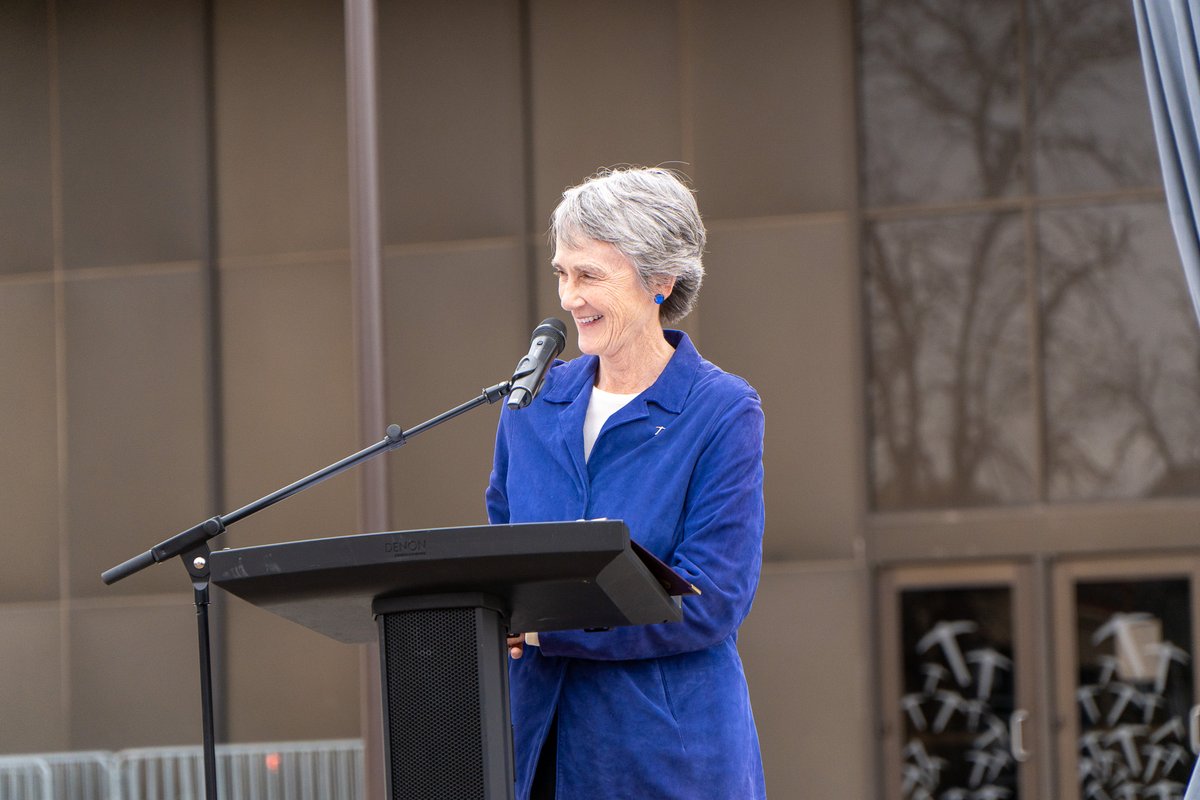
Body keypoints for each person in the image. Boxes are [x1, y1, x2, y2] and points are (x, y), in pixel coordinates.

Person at [486, 166, 766, 799]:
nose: (567, 297)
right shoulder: (528, 404)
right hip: (534, 752)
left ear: (659, 281)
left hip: (663, 760)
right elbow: (500, 559)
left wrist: (545, 627)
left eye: (590, 275)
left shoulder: (721, 411)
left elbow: (711, 598)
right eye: (561, 273)